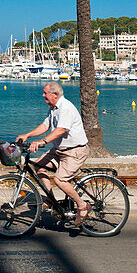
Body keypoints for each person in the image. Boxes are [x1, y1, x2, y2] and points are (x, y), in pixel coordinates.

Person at [16, 81, 91, 229]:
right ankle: (51, 200)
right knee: (39, 166)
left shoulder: (66, 108)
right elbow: (46, 126)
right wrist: (28, 135)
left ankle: (82, 206)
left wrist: (42, 142)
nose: (43, 95)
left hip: (74, 151)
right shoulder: (53, 108)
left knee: (60, 180)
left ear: (55, 95)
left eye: (45, 93)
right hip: (59, 150)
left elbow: (61, 130)